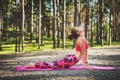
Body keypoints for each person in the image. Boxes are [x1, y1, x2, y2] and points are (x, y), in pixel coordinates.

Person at [22, 27, 92, 69]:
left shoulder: (82, 38)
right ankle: (33, 65)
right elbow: (83, 52)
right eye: (78, 27)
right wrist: (85, 65)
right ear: (78, 32)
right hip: (71, 59)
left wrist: (86, 64)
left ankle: (34, 64)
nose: (80, 26)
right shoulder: (81, 39)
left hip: (71, 59)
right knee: (52, 65)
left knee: (54, 64)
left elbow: (85, 52)